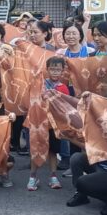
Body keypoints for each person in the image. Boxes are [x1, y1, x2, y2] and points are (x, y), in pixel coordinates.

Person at [28, 56, 71, 192]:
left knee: (53, 150)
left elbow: (65, 106)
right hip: (38, 123)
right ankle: (33, 176)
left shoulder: (63, 87)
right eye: (52, 69)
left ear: (63, 71)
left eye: (58, 70)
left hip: (54, 124)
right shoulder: (39, 83)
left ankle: (53, 176)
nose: (55, 72)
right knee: (36, 149)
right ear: (47, 70)